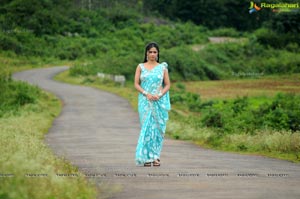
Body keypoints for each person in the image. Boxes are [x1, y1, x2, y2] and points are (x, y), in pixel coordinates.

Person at [134, 42, 171, 167]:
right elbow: (136, 84)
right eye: (150, 52)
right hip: (145, 101)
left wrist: (159, 95)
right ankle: (145, 157)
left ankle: (155, 157)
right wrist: (146, 93)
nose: (152, 54)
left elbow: (168, 84)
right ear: (146, 53)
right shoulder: (140, 66)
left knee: (157, 129)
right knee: (147, 128)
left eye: (155, 52)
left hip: (158, 101)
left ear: (158, 53)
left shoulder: (162, 67)